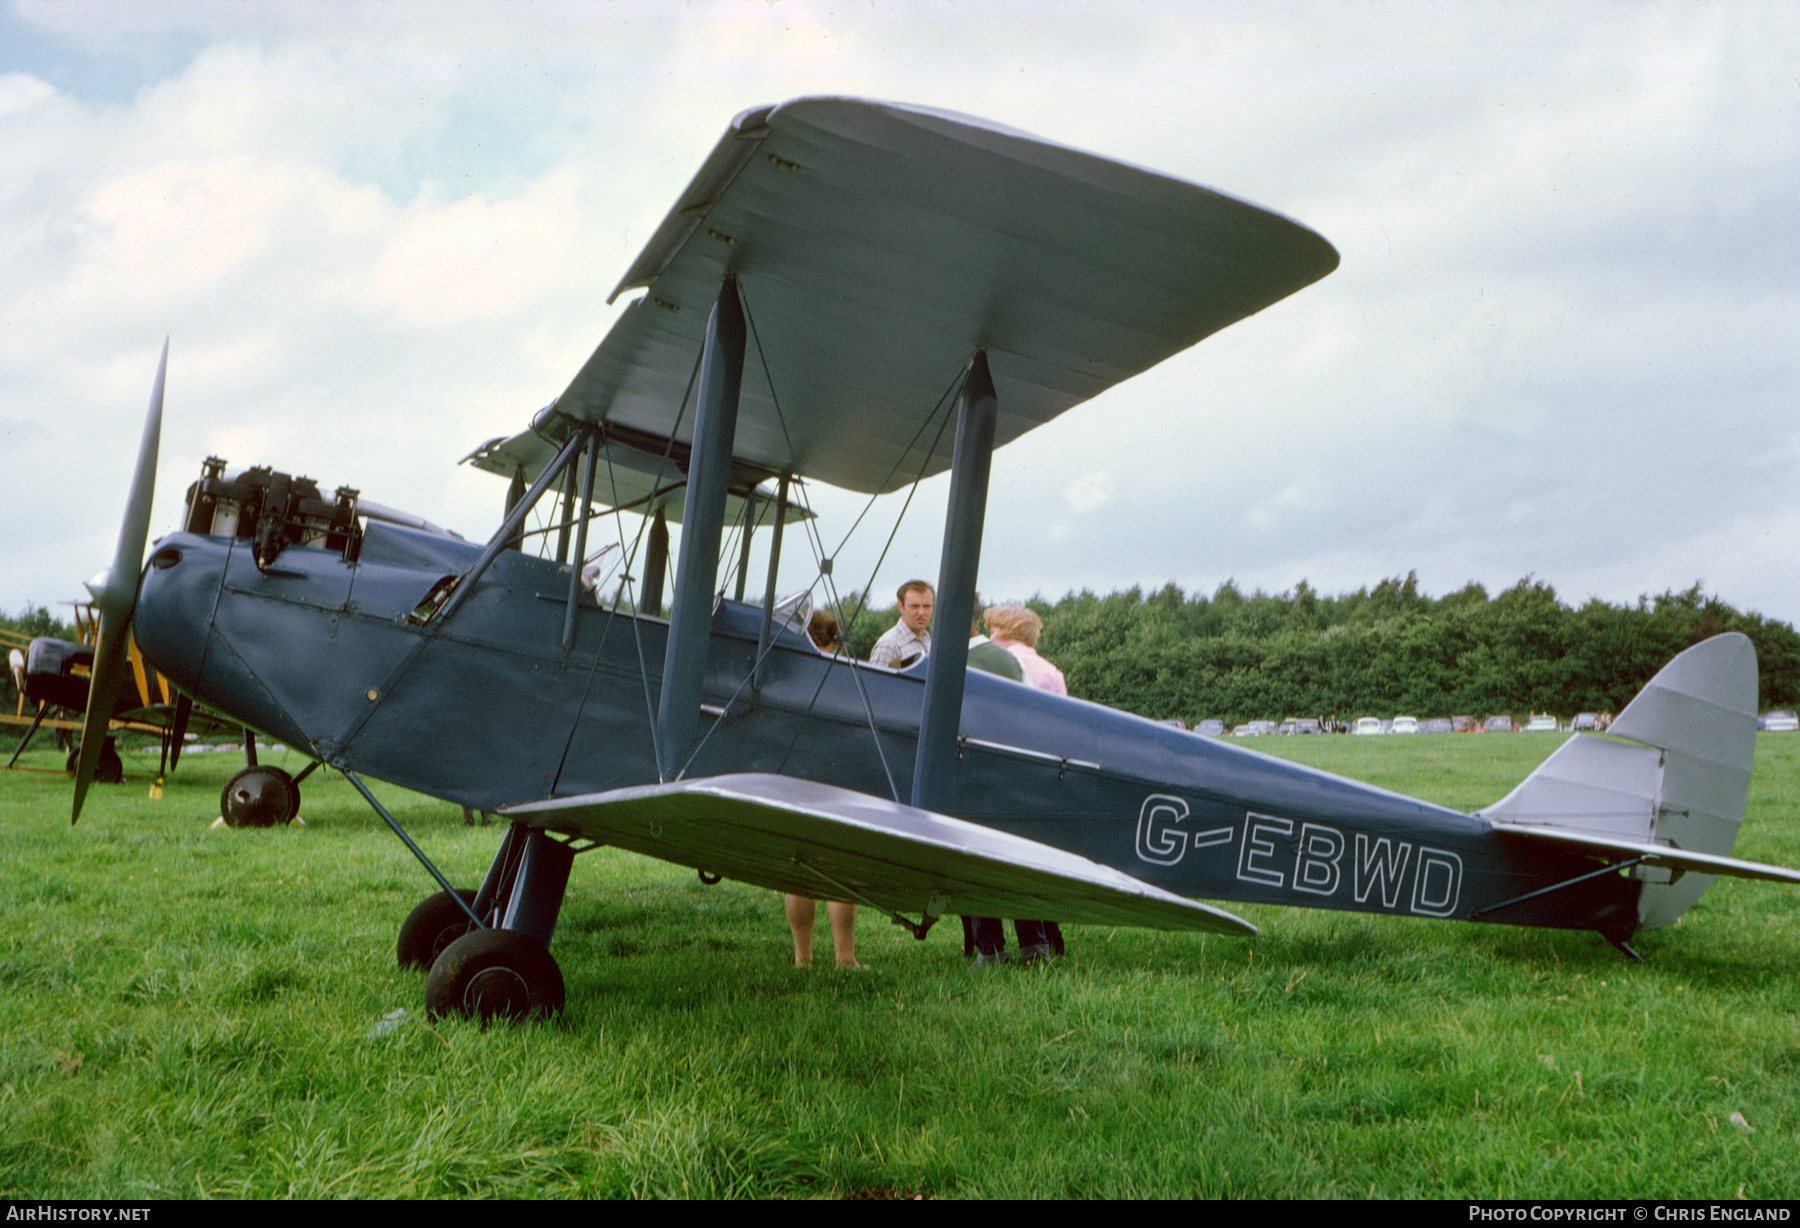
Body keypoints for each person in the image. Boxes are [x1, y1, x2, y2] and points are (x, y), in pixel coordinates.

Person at [965, 604, 1064, 967]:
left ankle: (990, 949)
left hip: (984, 772)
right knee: (1022, 859)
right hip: (1030, 772)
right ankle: (1035, 945)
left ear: (1002, 631)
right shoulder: (1048, 671)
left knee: (976, 858)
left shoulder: (993, 661)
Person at [984, 604, 1066, 695]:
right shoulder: (1055, 674)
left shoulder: (993, 663)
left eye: (992, 632)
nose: (990, 639)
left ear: (1007, 632)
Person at [868, 580, 933, 669]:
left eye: (927, 606)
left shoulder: (928, 640)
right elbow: (875, 682)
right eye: (914, 606)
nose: (921, 612)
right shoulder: (889, 645)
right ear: (901, 607)